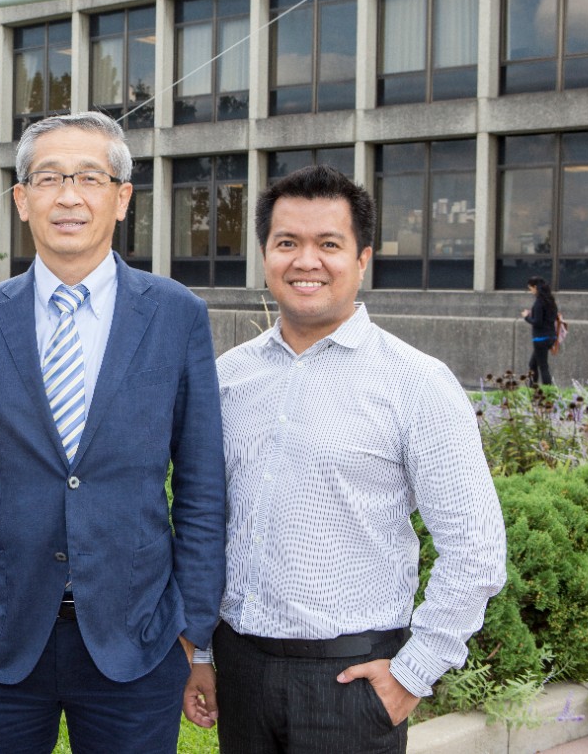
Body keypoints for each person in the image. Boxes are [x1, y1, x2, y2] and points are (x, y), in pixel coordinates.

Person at [0, 111, 225, 754]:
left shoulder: (176, 316)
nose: (69, 195)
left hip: (135, 637)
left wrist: (195, 629)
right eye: (49, 177)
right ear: (21, 199)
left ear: (121, 198)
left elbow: (201, 485)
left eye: (90, 176)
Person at [199, 165, 507, 754]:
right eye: (287, 243)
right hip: (241, 669)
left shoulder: (416, 383)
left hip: (350, 681)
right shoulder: (228, 378)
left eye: (329, 244)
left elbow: (475, 548)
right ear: (265, 255)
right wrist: (206, 653)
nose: (306, 261)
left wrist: (414, 673)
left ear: (362, 259)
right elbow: (211, 524)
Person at [521, 275, 558, 387]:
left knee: (543, 366)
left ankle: (547, 391)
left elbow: (537, 322)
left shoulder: (538, 303)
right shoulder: (550, 301)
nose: (531, 291)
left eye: (531, 288)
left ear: (535, 287)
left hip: (540, 338)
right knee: (533, 364)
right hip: (550, 336)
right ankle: (533, 388)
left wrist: (526, 316)